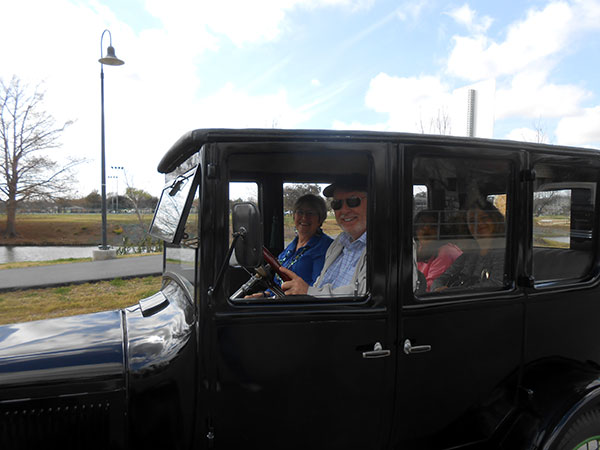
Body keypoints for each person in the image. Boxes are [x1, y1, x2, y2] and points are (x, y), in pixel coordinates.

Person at [280, 175, 368, 297]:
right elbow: (319, 284)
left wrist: (308, 292)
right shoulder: (339, 243)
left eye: (353, 201)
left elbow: (364, 295)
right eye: (337, 204)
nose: (344, 210)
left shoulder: (384, 246)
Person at [431, 201, 506, 291]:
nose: (478, 224)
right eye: (472, 221)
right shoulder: (469, 254)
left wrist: (454, 292)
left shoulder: (503, 251)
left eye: (484, 218)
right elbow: (442, 278)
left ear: (495, 220)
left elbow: (496, 284)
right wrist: (438, 288)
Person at [414, 210, 462, 292]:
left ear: (440, 230)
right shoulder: (417, 249)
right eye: (422, 225)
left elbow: (429, 288)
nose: (426, 228)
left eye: (433, 226)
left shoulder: (446, 252)